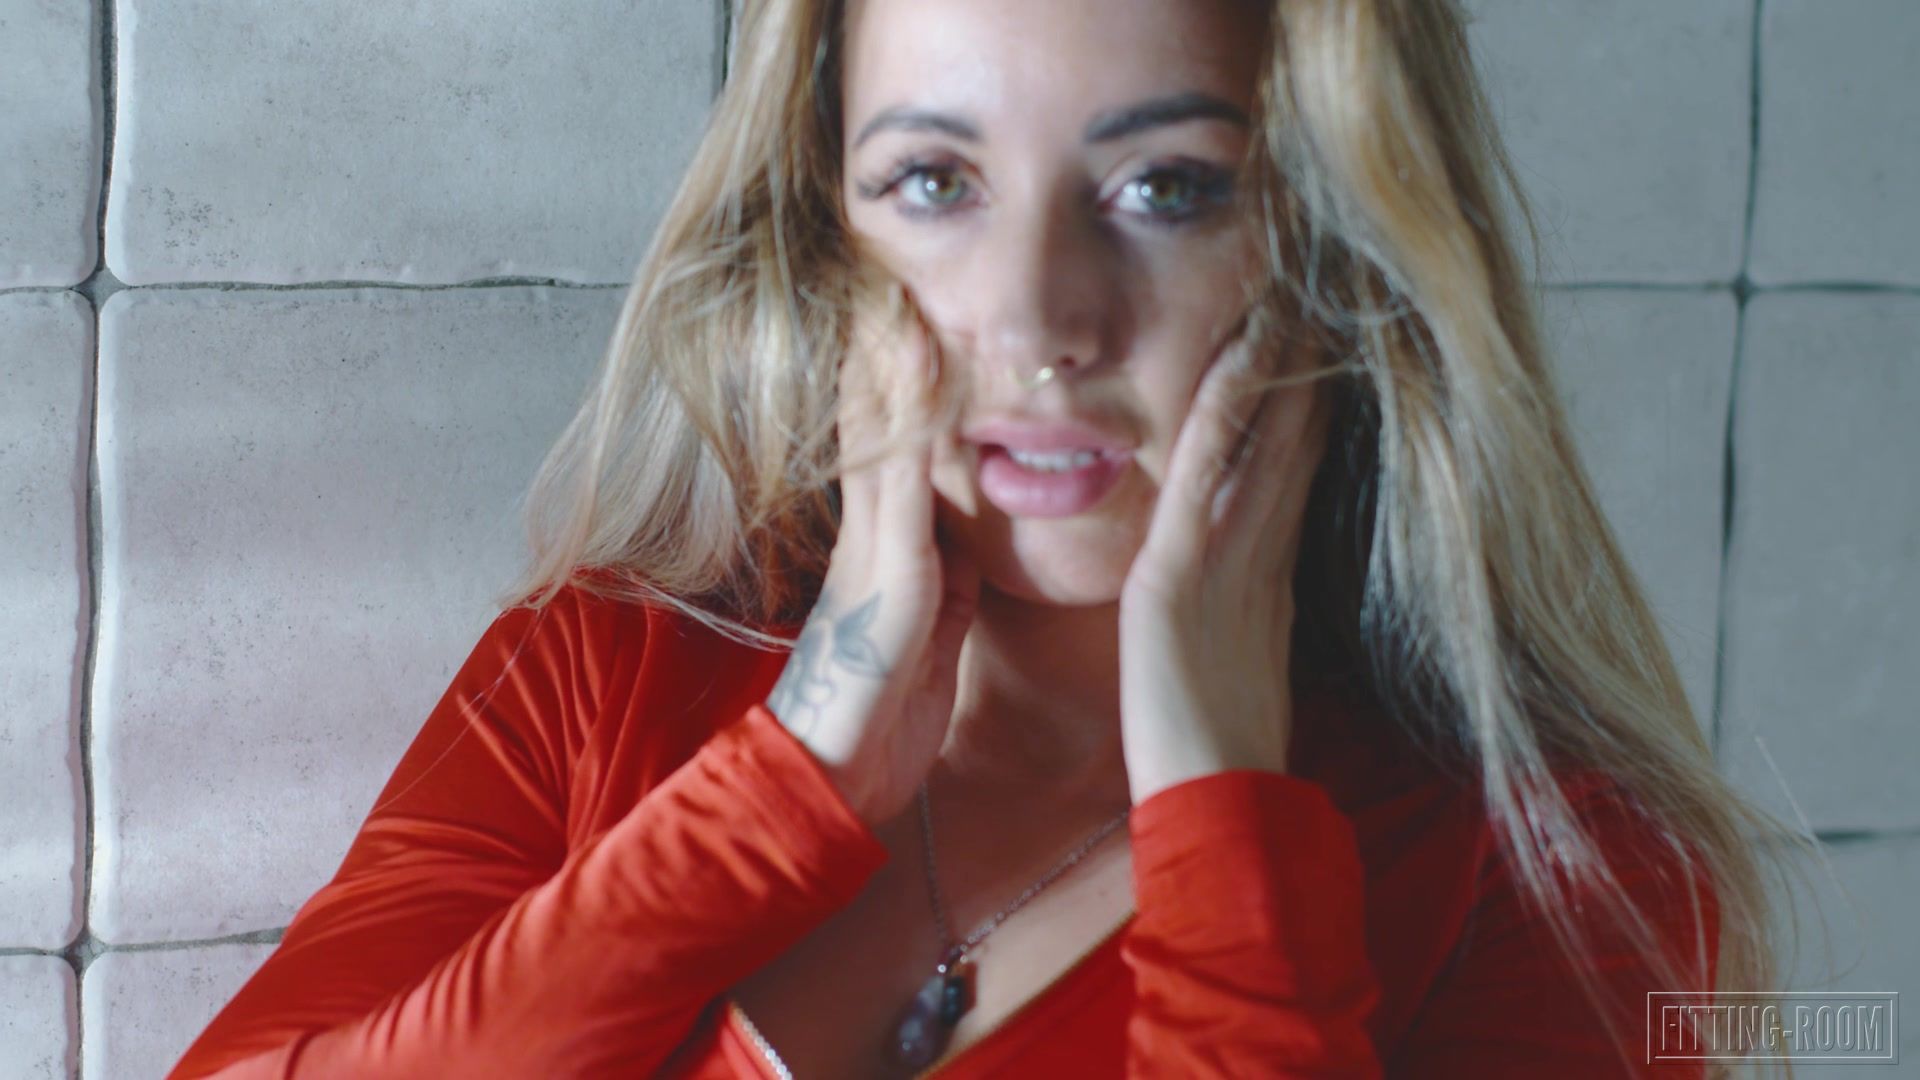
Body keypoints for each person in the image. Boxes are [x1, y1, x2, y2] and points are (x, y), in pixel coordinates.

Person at [167, 0, 1803, 1077]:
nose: (1036, 319)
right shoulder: (603, 673)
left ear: (1341, 250)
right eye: (937, 183)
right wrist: (786, 785)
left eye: (1168, 188)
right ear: (820, 236)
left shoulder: (1561, 878)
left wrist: (1226, 826)